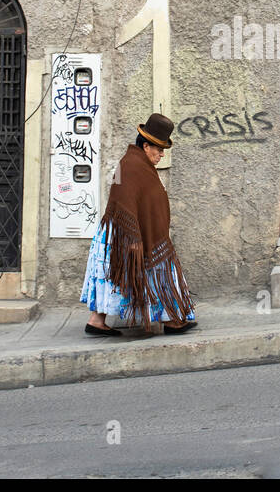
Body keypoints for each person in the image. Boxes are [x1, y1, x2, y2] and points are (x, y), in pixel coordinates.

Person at [80, 113, 197, 336]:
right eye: (158, 149)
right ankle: (172, 319)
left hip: (123, 233)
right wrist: (133, 237)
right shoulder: (132, 165)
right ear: (145, 146)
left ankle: (97, 320)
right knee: (156, 270)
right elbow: (123, 199)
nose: (162, 154)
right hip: (127, 234)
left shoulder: (136, 163)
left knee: (115, 274)